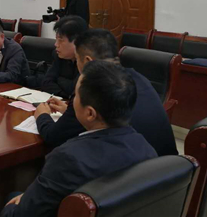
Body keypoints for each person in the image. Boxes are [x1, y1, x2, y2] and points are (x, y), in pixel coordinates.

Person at [0, 61, 157, 217]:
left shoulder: (68, 157)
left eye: (75, 96)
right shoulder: (146, 148)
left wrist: (13, 208)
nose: (72, 102)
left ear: (90, 113)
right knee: (16, 193)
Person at [35, 28, 178, 157]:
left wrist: (42, 115)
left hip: (133, 170)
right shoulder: (137, 78)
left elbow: (53, 137)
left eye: (77, 60)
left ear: (88, 61)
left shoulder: (95, 89)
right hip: (168, 168)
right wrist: (70, 110)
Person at [26, 16, 88, 98]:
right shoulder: (58, 55)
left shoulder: (87, 61)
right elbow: (46, 83)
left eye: (60, 40)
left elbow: (75, 90)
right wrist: (66, 94)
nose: (56, 44)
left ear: (77, 42)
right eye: (56, 39)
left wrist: (58, 79)